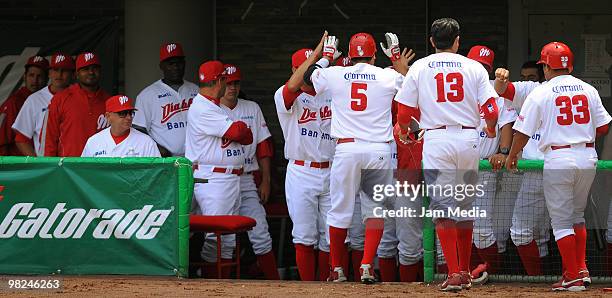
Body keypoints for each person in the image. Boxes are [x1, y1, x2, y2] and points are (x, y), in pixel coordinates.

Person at [394, 18, 499, 291]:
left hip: (437, 138)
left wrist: (403, 129)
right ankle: (464, 270)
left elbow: (404, 112)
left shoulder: (419, 66)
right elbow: (492, 109)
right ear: (457, 41)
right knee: (464, 208)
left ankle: (454, 273)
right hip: (468, 138)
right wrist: (488, 128)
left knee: (443, 208)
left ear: (432, 41)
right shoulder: (474, 67)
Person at [303, 31, 412, 284]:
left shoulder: (335, 73)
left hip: (347, 149)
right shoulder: (386, 75)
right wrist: (396, 58)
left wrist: (327, 58)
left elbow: (309, 77)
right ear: (375, 55)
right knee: (375, 211)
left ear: (349, 56)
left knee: (339, 210)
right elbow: (412, 86)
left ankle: (336, 269)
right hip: (378, 150)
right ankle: (366, 266)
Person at [506, 41, 611, 291]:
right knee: (576, 217)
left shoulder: (541, 92)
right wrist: (580, 132)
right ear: (570, 65)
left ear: (545, 67)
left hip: (559, 158)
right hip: (587, 157)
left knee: (562, 221)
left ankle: (573, 276)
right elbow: (603, 126)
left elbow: (522, 132)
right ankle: (581, 269)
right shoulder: (588, 89)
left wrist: (512, 154)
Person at [273, 34, 336, 281]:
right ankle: (308, 288)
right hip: (302, 171)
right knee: (304, 235)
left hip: (331, 169)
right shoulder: (285, 95)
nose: (310, 74)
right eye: (305, 68)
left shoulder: (329, 91)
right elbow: (292, 87)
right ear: (295, 70)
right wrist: (318, 54)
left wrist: (328, 61)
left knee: (331, 236)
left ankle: (327, 285)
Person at [185, 60, 252, 278]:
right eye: (226, 80)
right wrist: (240, 128)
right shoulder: (203, 107)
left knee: (226, 239)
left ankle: (218, 284)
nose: (228, 85)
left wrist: (241, 130)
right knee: (217, 237)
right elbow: (239, 134)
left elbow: (246, 135)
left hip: (224, 178)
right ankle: (211, 284)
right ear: (220, 81)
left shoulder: (212, 105)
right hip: (213, 178)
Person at [219, 63, 279, 280]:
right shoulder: (211, 108)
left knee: (261, 231)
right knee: (222, 238)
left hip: (246, 178)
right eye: (228, 83)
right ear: (219, 83)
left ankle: (275, 284)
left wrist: (265, 180)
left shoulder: (251, 107)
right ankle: (215, 287)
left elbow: (263, 147)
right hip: (221, 177)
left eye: (236, 83)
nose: (232, 88)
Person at [465, 45, 518, 284]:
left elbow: (506, 126)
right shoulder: (461, 90)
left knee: (482, 227)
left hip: (484, 168)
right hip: (458, 165)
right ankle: (459, 271)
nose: (481, 69)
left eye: (485, 67)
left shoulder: (497, 94)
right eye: (477, 64)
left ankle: (490, 275)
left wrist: (503, 151)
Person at [133, 43, 199, 157]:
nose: (176, 67)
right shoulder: (147, 95)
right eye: (170, 63)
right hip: (166, 161)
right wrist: (156, 148)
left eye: (179, 63)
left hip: (197, 158)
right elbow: (138, 131)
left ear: (184, 64)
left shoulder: (196, 90)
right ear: (161, 66)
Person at [44, 52, 110, 157]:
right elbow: (49, 140)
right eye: (85, 69)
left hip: (100, 166)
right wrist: (50, 168)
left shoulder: (110, 101)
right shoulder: (60, 99)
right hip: (69, 167)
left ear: (100, 71)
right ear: (76, 74)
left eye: (94, 68)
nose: (91, 72)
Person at [13, 53, 75, 156]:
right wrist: (37, 164)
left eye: (64, 70)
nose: (59, 75)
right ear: (49, 73)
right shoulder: (34, 99)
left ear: (73, 74)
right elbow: (21, 139)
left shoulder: (79, 97)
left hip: (73, 162)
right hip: (46, 163)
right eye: (55, 70)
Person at [82, 95, 160, 157]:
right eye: (123, 113)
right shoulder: (93, 142)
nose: (129, 117)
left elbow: (155, 173)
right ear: (108, 116)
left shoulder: (146, 142)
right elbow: (84, 172)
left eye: (130, 113)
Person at [0, 55, 48, 155]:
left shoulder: (50, 100)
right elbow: (2, 140)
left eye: (39, 76)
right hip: (17, 165)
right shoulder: (15, 102)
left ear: (47, 78)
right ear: (24, 76)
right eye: (31, 75)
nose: (35, 81)